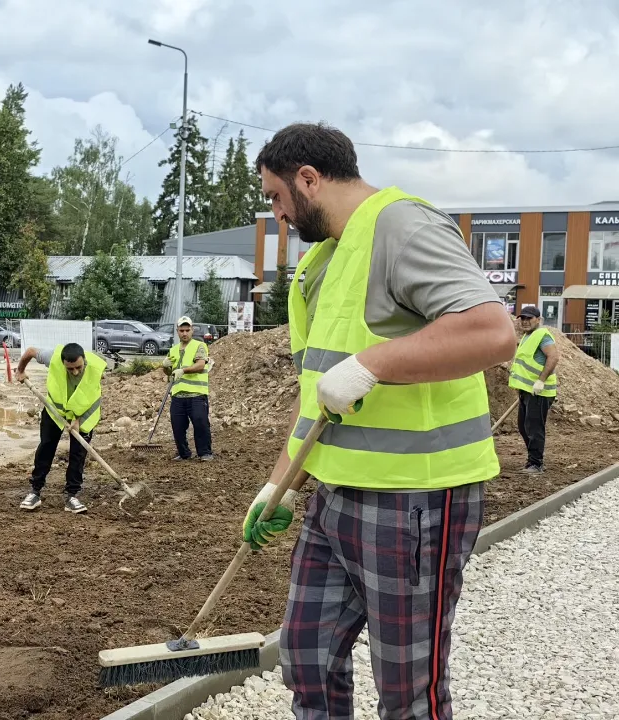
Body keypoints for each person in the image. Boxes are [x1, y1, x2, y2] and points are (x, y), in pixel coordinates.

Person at [242, 122, 516, 719]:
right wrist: (280, 483)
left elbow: (493, 333)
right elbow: (314, 391)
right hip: (333, 497)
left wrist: (372, 364)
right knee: (306, 659)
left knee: (407, 692)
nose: (277, 214)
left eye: (276, 197)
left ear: (308, 180)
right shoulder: (320, 266)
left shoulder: (402, 225)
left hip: (416, 501)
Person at [14, 342, 106, 514]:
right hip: (55, 411)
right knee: (46, 447)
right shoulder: (52, 357)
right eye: (70, 369)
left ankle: (72, 496)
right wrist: (20, 370)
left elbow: (90, 395)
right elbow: (31, 351)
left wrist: (77, 420)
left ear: (84, 360)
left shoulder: (95, 368)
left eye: (78, 367)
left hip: (83, 413)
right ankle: (35, 491)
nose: (75, 372)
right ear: (63, 362)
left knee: (78, 452)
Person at [508, 305, 559, 473]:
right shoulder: (526, 337)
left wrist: (541, 381)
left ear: (538, 319)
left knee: (534, 427)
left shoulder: (542, 335)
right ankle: (532, 459)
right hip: (527, 391)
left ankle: (536, 464)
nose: (525, 321)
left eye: (529, 318)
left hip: (539, 391)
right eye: (522, 318)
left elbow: (553, 356)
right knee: (524, 426)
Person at [161, 316, 214, 461]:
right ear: (177, 331)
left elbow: (200, 365)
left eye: (187, 330)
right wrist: (165, 367)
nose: (184, 333)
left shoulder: (199, 346)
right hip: (178, 395)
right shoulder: (173, 350)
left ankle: (205, 453)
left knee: (200, 423)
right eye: (181, 330)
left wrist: (183, 371)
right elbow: (169, 373)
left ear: (192, 330)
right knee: (177, 427)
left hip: (197, 394)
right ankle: (184, 453)